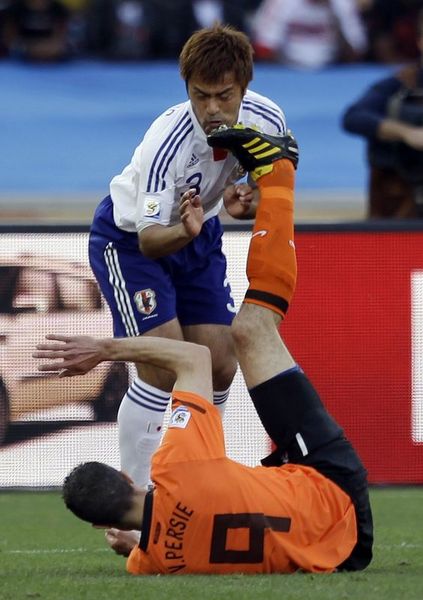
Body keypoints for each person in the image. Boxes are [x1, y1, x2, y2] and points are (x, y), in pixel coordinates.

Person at [35, 125, 373, 575]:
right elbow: (194, 359)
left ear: (102, 523)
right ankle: (279, 175)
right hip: (334, 490)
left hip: (345, 553)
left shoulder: (151, 562)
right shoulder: (178, 465)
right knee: (252, 329)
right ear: (126, 477)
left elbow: (154, 546)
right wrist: (104, 348)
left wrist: (135, 544)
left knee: (245, 339)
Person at [88, 23, 289, 489]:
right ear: (187, 89)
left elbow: (267, 186)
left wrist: (248, 200)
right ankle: (135, 499)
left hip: (200, 234)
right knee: (163, 367)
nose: (212, 108)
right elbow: (149, 239)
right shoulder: (168, 142)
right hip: (130, 242)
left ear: (244, 87)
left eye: (223, 95)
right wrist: (185, 229)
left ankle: (201, 481)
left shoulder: (268, 120)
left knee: (220, 362)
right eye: (200, 96)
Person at [342, 9, 423, 218]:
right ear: (420, 42)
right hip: (402, 206)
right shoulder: (402, 83)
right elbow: (354, 117)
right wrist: (407, 133)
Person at [251, 0, 367, 69]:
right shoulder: (282, 2)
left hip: (330, 70)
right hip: (286, 69)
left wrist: (339, 17)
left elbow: (357, 49)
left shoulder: (342, 4)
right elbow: (263, 48)